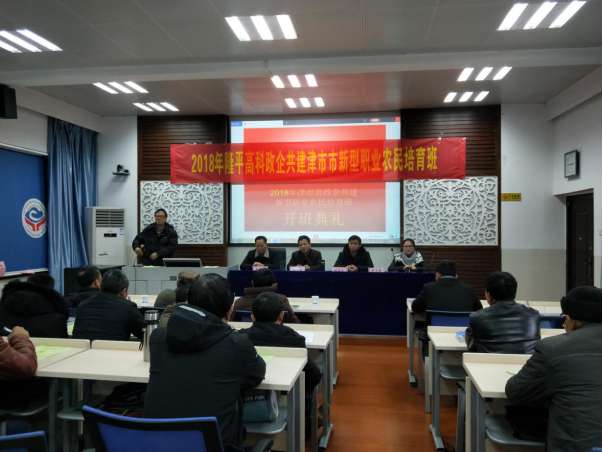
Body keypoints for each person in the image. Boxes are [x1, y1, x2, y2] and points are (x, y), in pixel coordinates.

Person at [144, 274, 266, 452]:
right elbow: (256, 374)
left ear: (189, 302)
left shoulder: (158, 338)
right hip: (214, 445)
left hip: (157, 445)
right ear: (229, 309)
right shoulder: (236, 344)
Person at [505, 286, 602, 450]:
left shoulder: (553, 348)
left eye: (565, 317)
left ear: (574, 320)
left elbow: (515, 391)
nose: (563, 324)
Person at [240, 292, 322, 429]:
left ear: (252, 316)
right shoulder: (293, 338)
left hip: (248, 404)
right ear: (281, 315)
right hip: (287, 396)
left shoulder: (241, 338)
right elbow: (313, 374)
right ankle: (306, 423)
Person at [465, 271, 540, 354]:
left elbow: (472, 349)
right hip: (526, 362)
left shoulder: (477, 317)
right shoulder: (533, 316)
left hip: (490, 362)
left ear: (488, 295)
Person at [73, 269, 144, 341]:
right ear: (124, 291)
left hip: (80, 348)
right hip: (113, 348)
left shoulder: (82, 305)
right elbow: (145, 334)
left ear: (101, 286)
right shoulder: (128, 308)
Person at [0, 273, 68, 338]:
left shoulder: (7, 301)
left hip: (8, 343)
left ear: (27, 284)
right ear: (51, 288)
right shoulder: (56, 311)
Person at [230, 268, 299, 323]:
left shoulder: (239, 302)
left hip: (248, 334)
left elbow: (231, 322)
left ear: (252, 283)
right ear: (274, 284)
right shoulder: (281, 300)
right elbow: (295, 323)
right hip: (276, 335)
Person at [411, 261, 482, 314]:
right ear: (456, 275)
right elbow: (479, 310)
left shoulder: (428, 288)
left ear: (438, 275)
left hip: (435, 329)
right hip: (462, 329)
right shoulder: (469, 289)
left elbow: (415, 308)